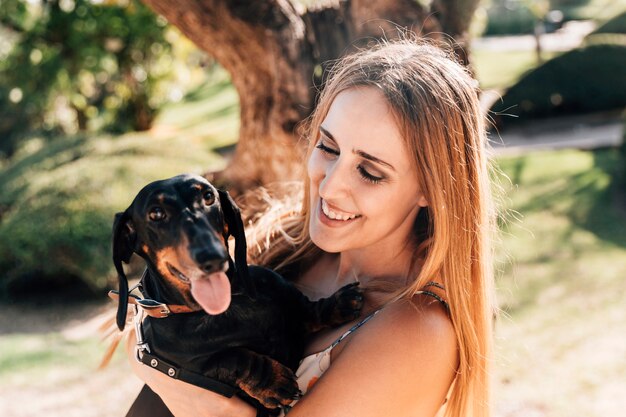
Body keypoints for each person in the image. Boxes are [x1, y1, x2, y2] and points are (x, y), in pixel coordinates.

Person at [125, 38, 497, 417]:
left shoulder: (415, 331)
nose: (330, 185)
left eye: (370, 172)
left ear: (432, 190)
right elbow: (143, 326)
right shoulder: (284, 242)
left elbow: (150, 356)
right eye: (328, 147)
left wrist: (168, 377)